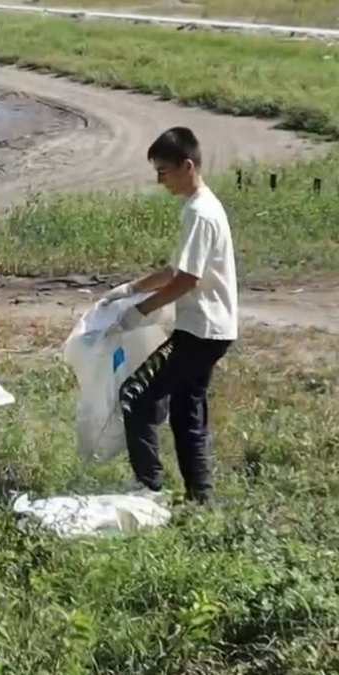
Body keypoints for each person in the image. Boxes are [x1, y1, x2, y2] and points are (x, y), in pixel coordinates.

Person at [101, 127, 237, 504]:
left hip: (202, 330)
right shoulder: (202, 207)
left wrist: (140, 312)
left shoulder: (199, 213)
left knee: (137, 398)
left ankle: (150, 488)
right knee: (185, 410)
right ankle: (200, 498)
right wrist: (131, 289)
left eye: (163, 172)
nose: (159, 181)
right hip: (210, 328)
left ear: (187, 166)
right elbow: (174, 271)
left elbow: (187, 280)